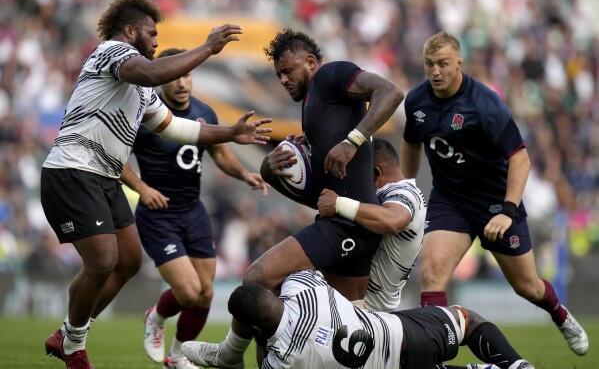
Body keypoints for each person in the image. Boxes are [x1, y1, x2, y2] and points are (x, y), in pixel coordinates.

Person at [40, 0, 272, 369]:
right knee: (103, 260)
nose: (155, 41)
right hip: (73, 169)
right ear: (129, 31)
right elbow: (151, 71)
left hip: (105, 177)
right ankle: (73, 346)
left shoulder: (142, 88)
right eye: (151, 33)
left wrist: (231, 131)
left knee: (128, 262)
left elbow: (175, 128)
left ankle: (67, 333)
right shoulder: (110, 52)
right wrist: (208, 48)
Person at [187, 28, 405, 368]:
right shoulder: (311, 106)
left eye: (289, 70)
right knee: (343, 328)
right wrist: (271, 172)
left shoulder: (331, 76)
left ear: (312, 62)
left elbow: (391, 93)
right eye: (278, 75)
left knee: (258, 279)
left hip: (346, 227)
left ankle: (229, 354)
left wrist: (354, 140)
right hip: (348, 223)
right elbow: (318, 196)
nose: (283, 79)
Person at [400, 31, 588, 356]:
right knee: (431, 274)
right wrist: (404, 186)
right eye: (429, 64)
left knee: (527, 286)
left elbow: (520, 159)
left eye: (443, 64)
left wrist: (507, 210)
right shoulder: (417, 100)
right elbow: (411, 142)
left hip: (495, 203)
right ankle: (431, 355)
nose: (435, 72)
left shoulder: (484, 103)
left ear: (459, 62)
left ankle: (560, 314)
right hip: (450, 200)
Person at [118, 47, 270, 369]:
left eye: (186, 75)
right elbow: (115, 160)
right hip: (158, 216)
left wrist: (244, 175)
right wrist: (143, 189)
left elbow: (219, 153)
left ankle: (176, 356)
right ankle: (156, 316)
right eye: (174, 76)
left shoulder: (204, 111)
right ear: (162, 81)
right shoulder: (142, 117)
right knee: (187, 293)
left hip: (193, 211)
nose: (182, 82)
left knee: (205, 295)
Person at [182, 269, 536, 369]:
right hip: (403, 334)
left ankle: (226, 356)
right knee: (466, 321)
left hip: (391, 362)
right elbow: (295, 272)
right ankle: (516, 366)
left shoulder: (280, 361)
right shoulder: (304, 289)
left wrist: (259, 339)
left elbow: (266, 355)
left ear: (256, 332)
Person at [317, 137, 426, 312]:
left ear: (375, 174)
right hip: (355, 300)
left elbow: (393, 221)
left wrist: (338, 204)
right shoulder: (390, 194)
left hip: (369, 309)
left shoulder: (405, 193)